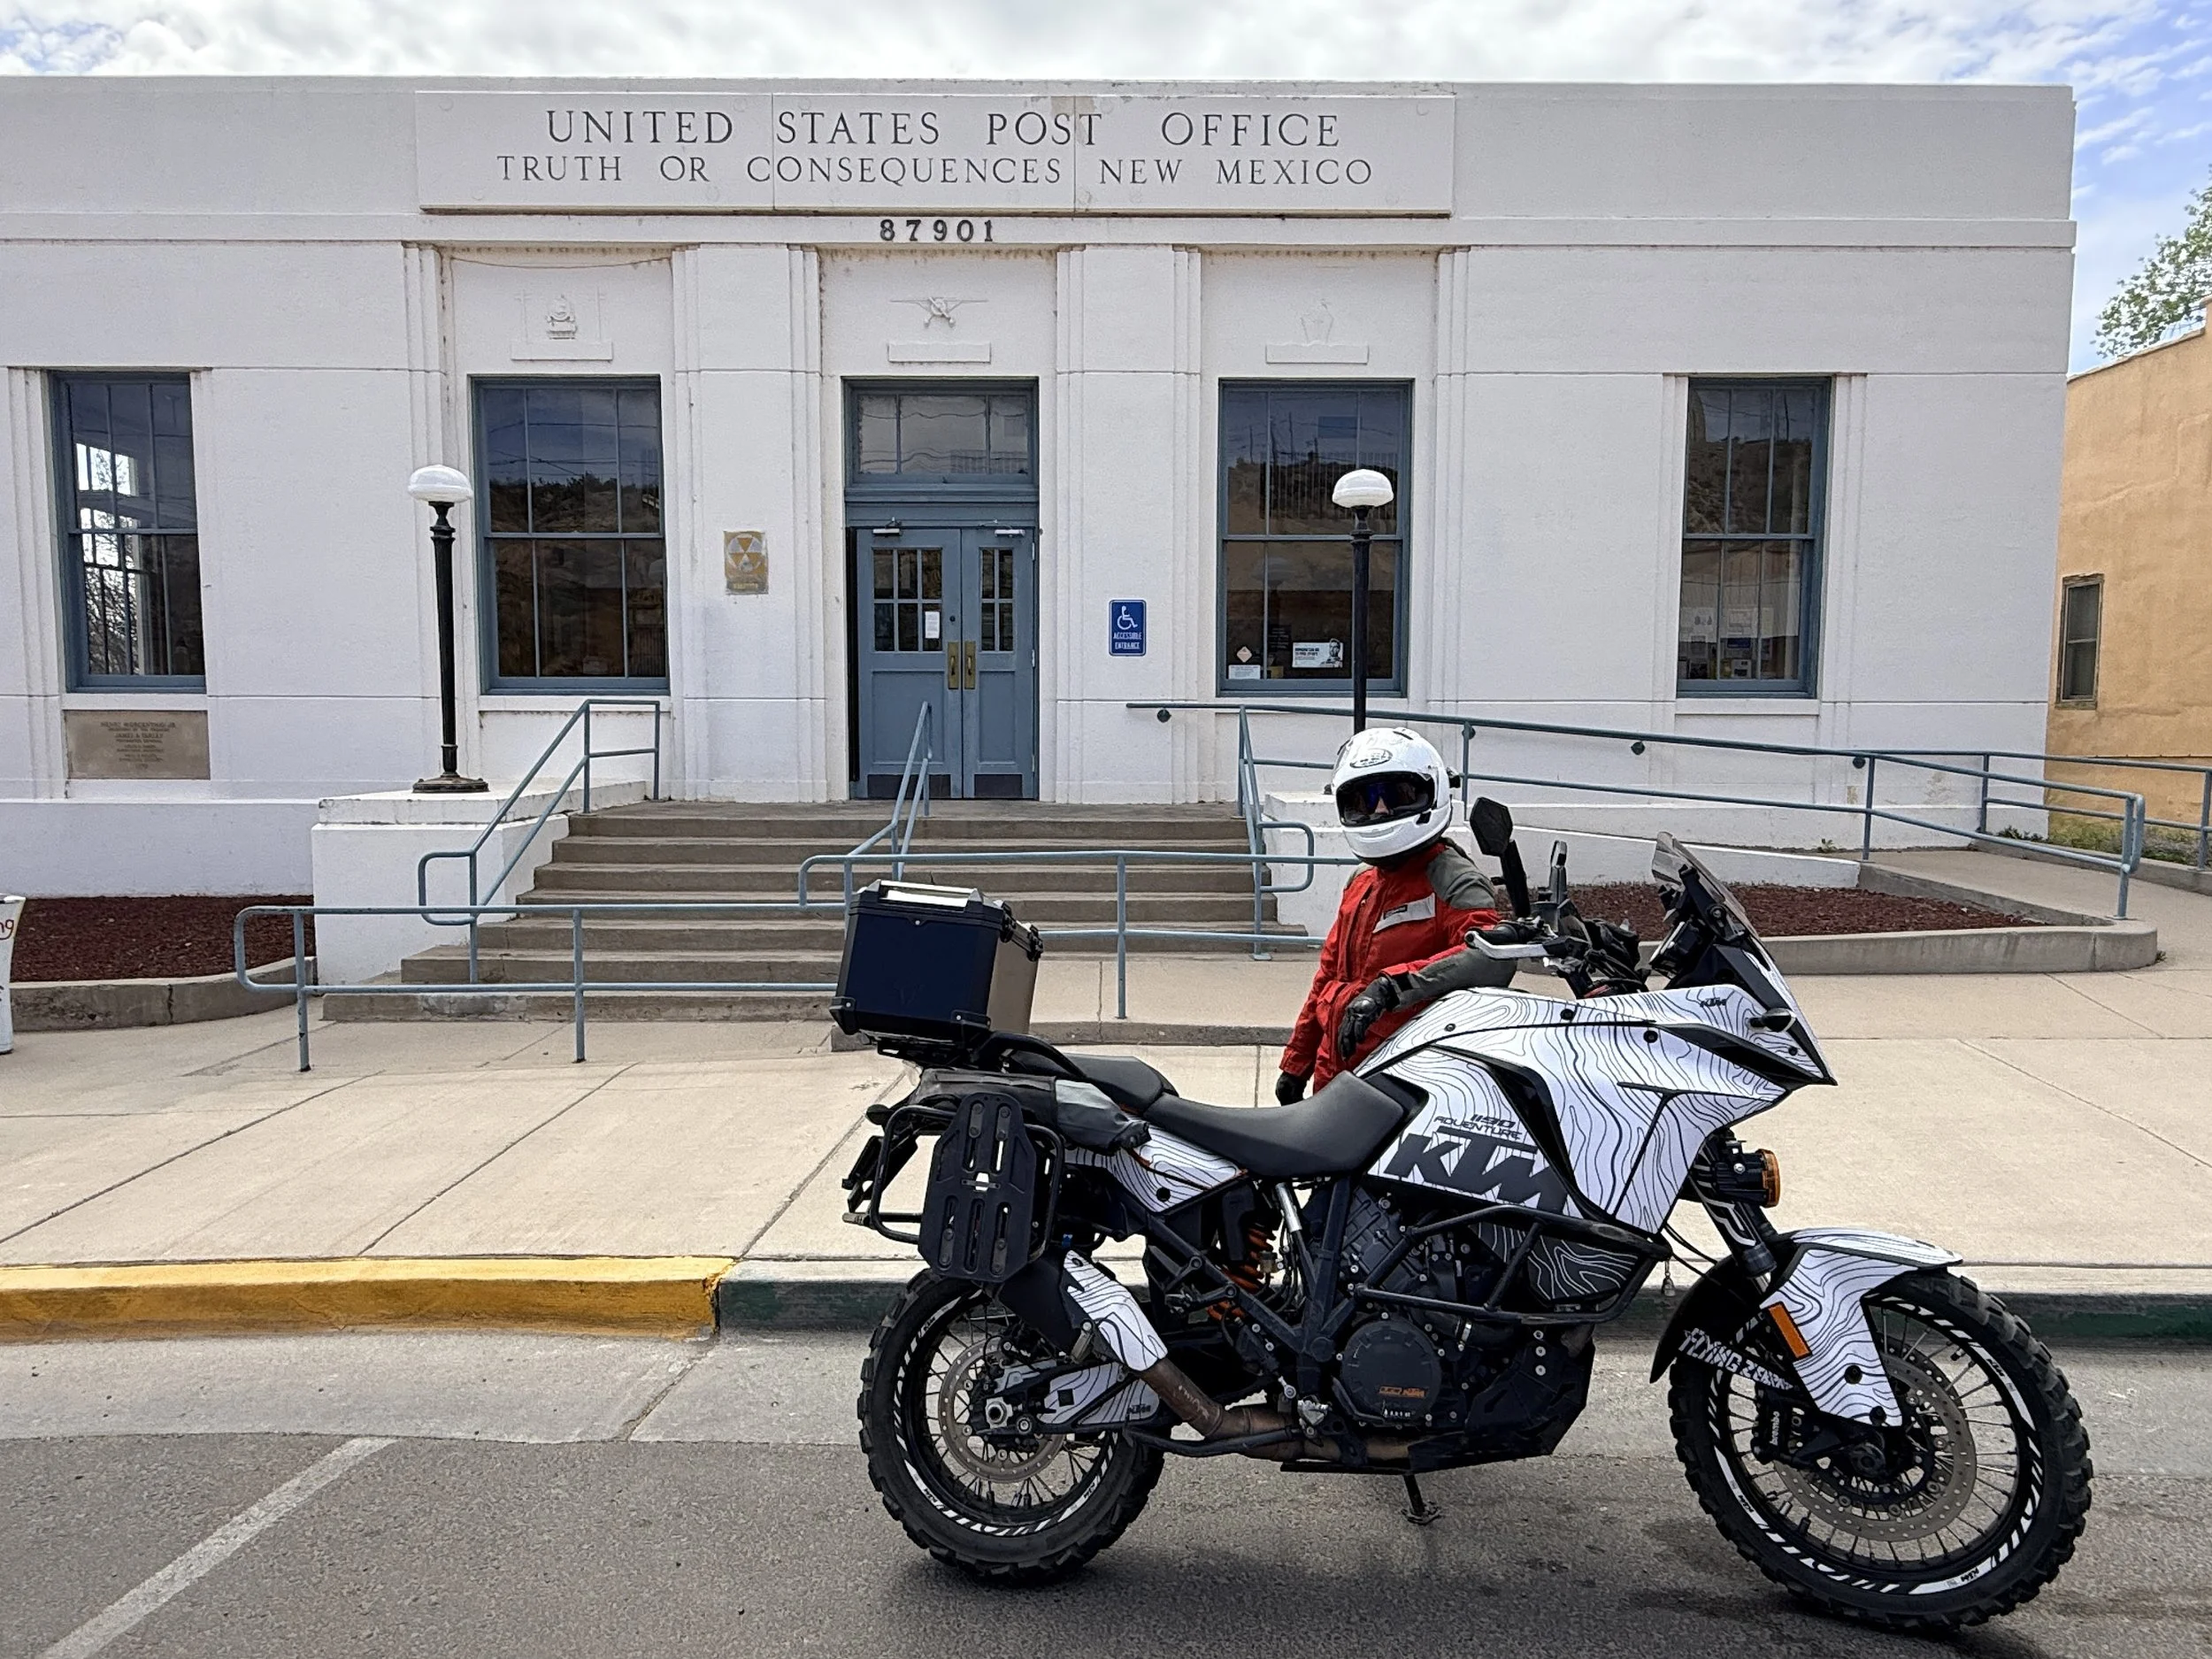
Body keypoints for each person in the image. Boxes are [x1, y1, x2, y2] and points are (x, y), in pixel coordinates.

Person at [1275, 727, 1511, 1102]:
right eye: (1365, 800)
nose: (1380, 810)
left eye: (1396, 795)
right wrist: (1297, 1062)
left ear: (1431, 791)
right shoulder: (1362, 881)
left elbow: (1489, 958)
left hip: (1402, 1081)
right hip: (1337, 1073)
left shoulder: (1453, 879)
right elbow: (1329, 975)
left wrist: (1390, 988)